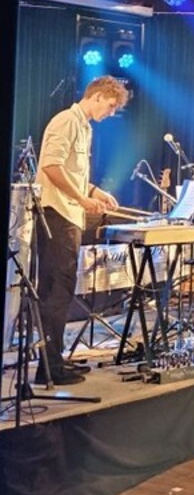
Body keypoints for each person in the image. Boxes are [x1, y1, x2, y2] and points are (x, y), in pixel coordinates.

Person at [35, 75, 130, 385]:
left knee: (62, 291)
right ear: (97, 96)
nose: (112, 113)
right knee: (56, 291)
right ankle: (48, 368)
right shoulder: (66, 120)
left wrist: (95, 192)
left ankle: (54, 359)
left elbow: (71, 172)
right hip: (57, 215)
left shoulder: (84, 127)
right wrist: (81, 199)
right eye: (111, 106)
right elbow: (51, 166)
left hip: (69, 215)